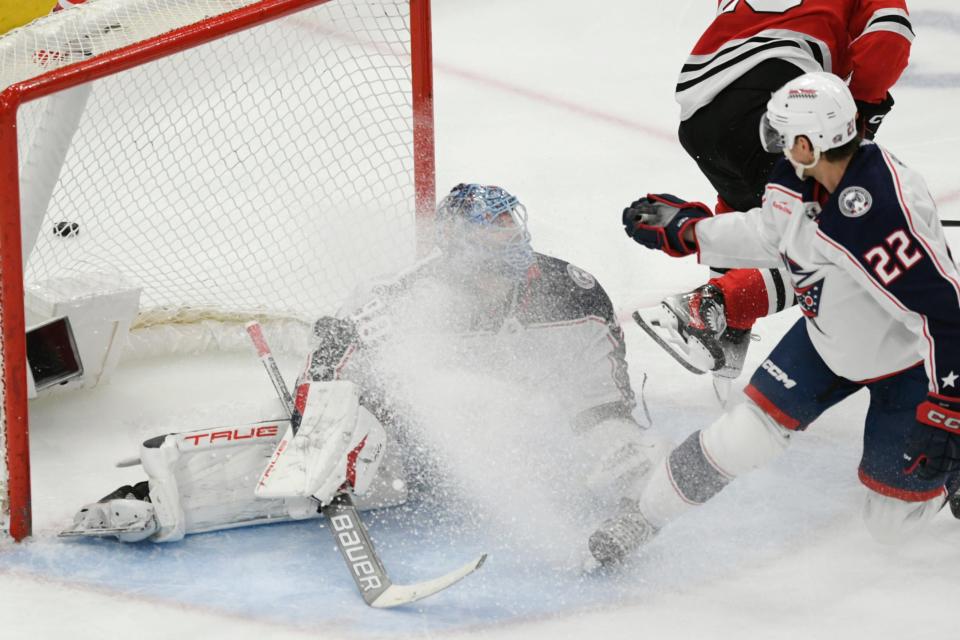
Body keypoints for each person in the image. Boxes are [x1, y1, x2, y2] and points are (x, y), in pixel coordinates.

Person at [66, 183, 669, 543]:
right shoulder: (395, 299)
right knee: (328, 455)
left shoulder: (571, 293)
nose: (497, 281)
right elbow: (318, 412)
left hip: (532, 449)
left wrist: (631, 494)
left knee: (595, 445)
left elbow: (602, 406)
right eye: (483, 266)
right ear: (453, 256)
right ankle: (153, 499)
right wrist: (328, 363)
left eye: (508, 263)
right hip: (416, 456)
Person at [592, 72, 960, 566]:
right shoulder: (799, 173)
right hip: (825, 343)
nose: (776, 143)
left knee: (889, 527)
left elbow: (945, 317)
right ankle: (643, 515)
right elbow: (772, 232)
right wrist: (693, 231)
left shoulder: (883, 217)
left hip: (907, 366)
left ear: (809, 143)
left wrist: (949, 412)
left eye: (785, 135)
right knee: (740, 438)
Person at [633, 0, 915, 385]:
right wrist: (861, 110)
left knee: (763, 214)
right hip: (777, 98)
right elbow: (889, 36)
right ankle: (711, 306)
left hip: (700, 113)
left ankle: (729, 331)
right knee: (834, 246)